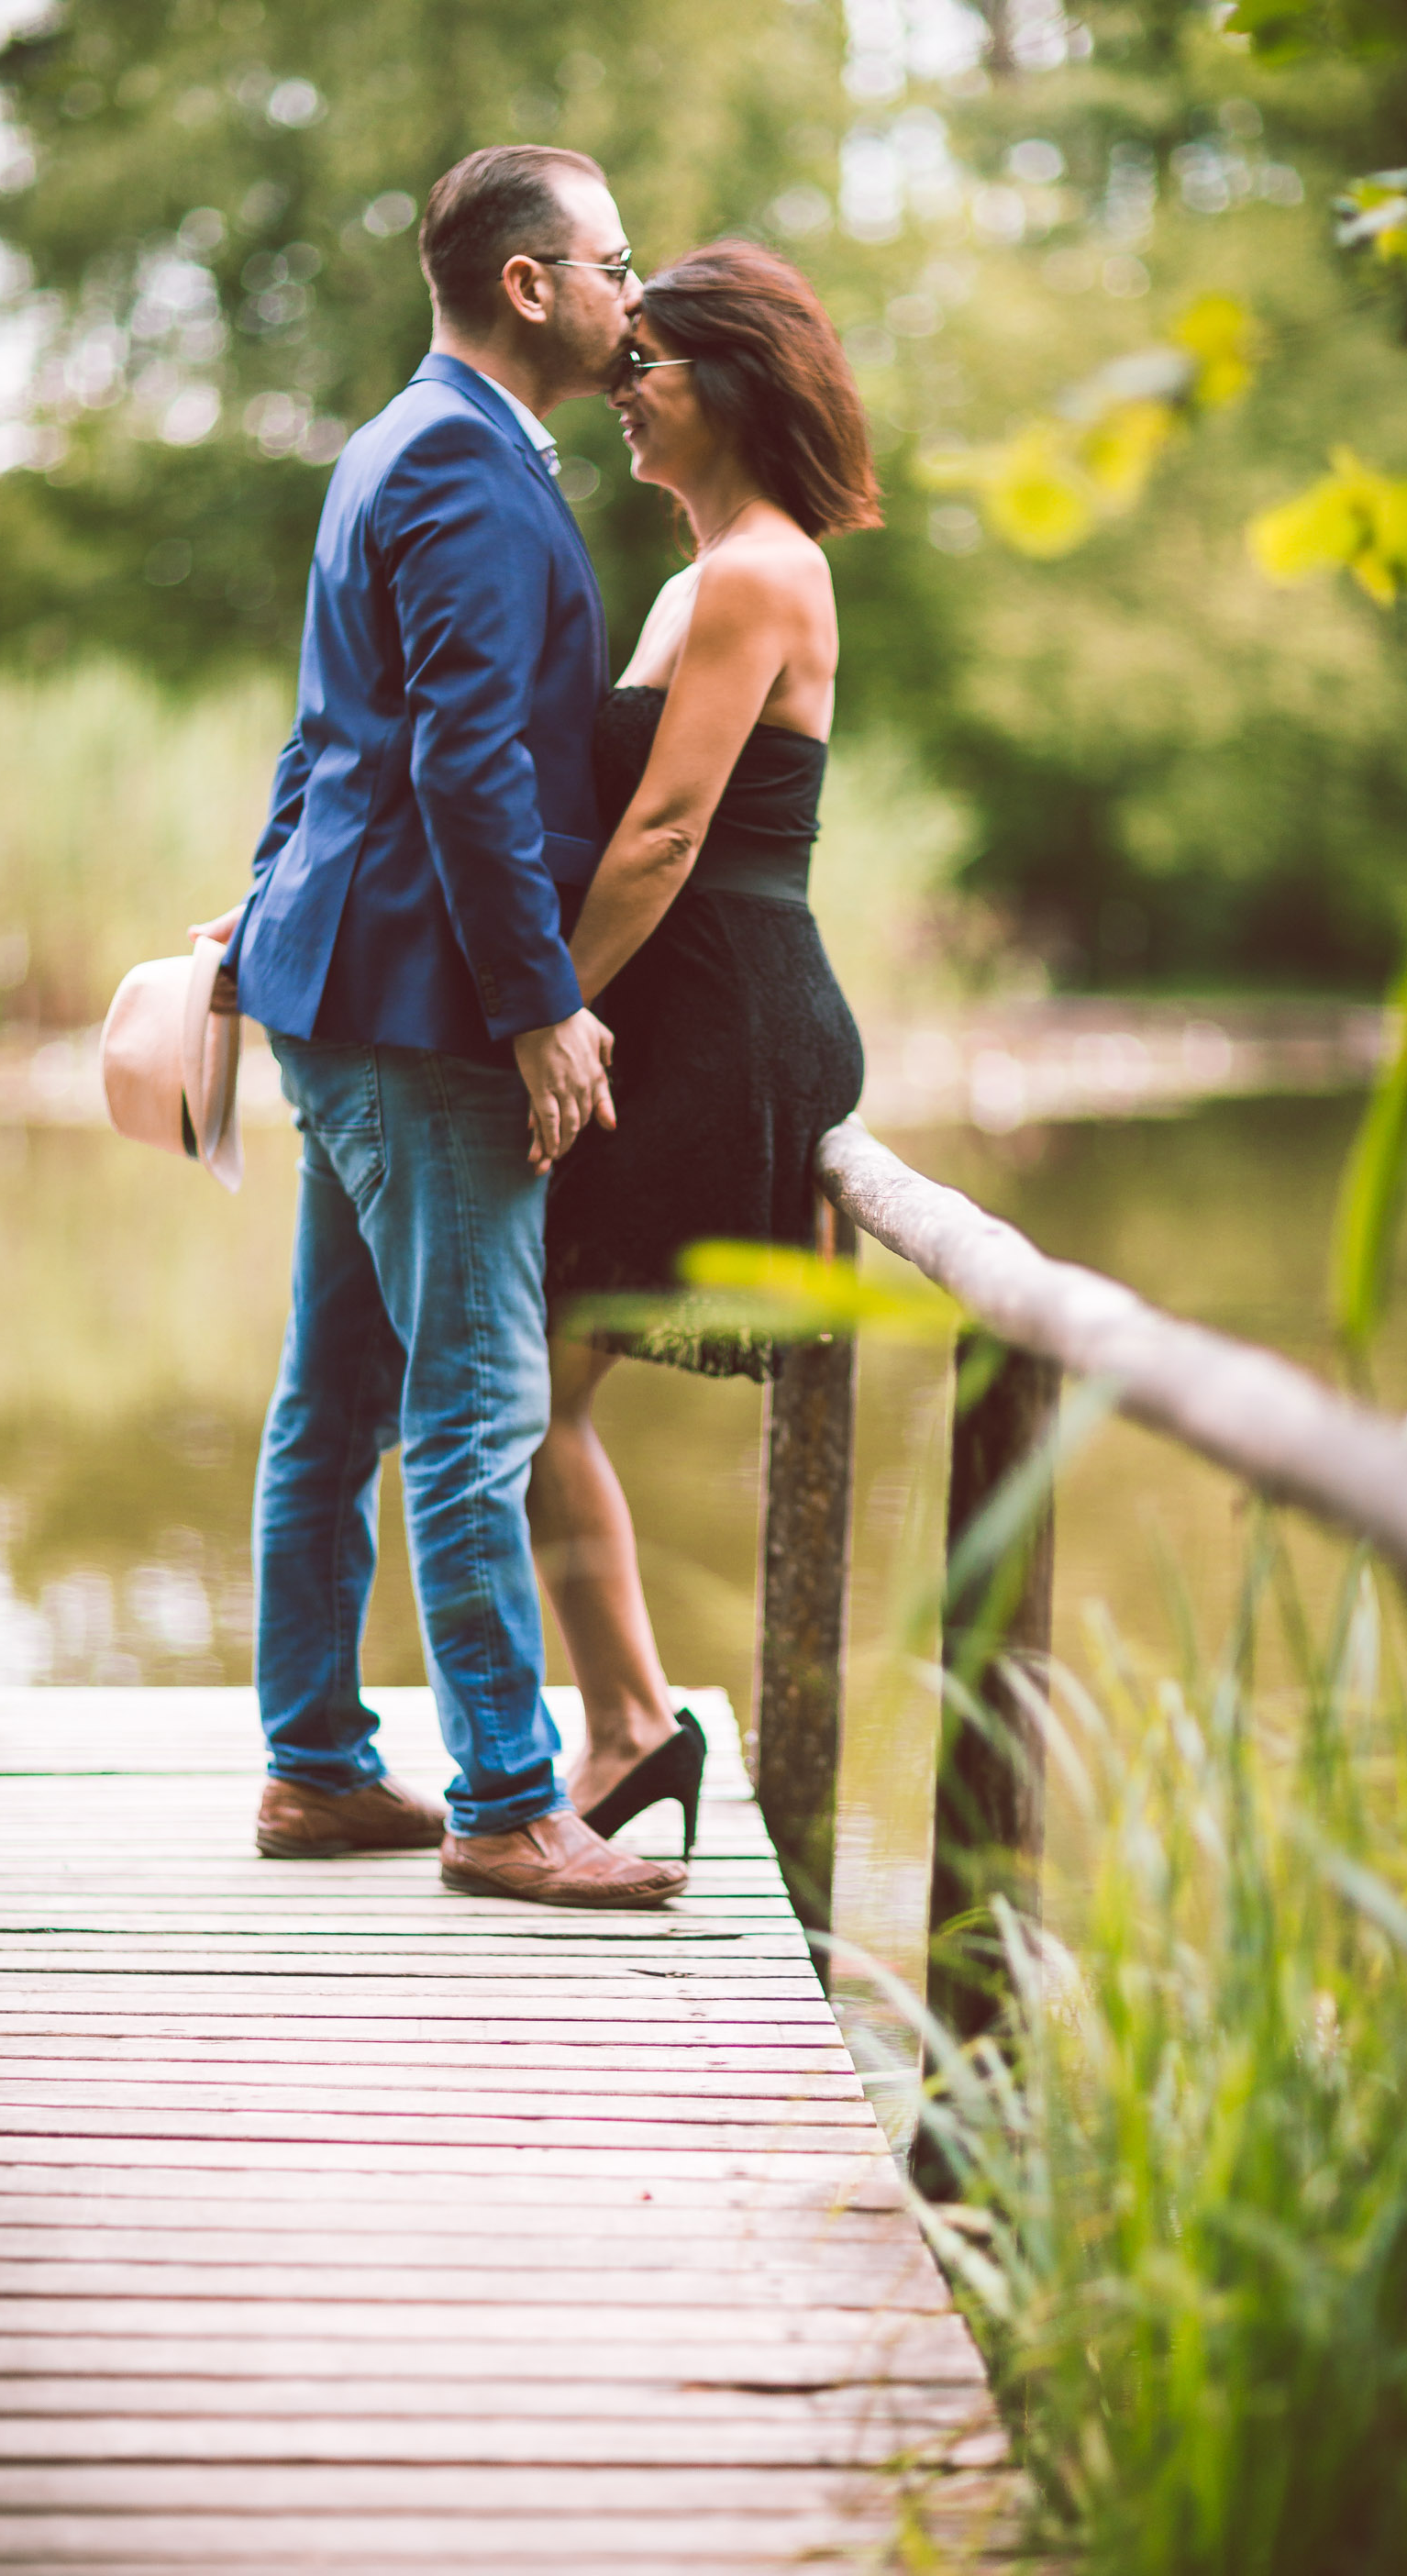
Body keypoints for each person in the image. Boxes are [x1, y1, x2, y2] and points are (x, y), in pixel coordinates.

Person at [193, 145, 687, 1908]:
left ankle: (318, 1770)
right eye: (616, 264)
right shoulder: (468, 472)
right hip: (421, 1012)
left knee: (334, 1399)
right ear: (533, 284)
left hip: (346, 993)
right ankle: (503, 1800)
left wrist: (261, 914)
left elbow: (324, 739)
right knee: (476, 1411)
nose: (638, 300)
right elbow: (459, 765)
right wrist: (543, 1005)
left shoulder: (392, 444)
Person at [527, 242, 881, 1859]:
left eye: (644, 364)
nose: (619, 389)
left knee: (525, 1392)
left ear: (728, 383)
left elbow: (669, 834)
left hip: (722, 1021)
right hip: (674, 1010)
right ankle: (629, 1729)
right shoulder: (704, 568)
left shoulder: (758, 569)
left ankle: (631, 1729)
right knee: (524, 1392)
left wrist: (539, 1008)